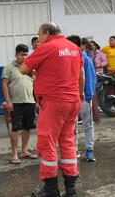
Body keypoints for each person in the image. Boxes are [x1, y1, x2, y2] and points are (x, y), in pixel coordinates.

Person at [20, 22, 84, 197]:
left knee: (46, 143)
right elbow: (81, 74)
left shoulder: (46, 47)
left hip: (53, 102)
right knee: (68, 142)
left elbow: (24, 68)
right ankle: (71, 189)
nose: (38, 39)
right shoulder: (73, 47)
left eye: (39, 35)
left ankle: (50, 189)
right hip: (73, 101)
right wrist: (80, 94)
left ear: (47, 34)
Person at [2, 44, 37, 164]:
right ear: (16, 54)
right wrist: (8, 101)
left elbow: (35, 84)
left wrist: (36, 100)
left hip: (30, 101)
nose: (24, 57)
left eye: (26, 54)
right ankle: (14, 154)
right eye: (22, 54)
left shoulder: (30, 68)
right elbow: (4, 84)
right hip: (16, 103)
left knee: (27, 127)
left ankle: (24, 151)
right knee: (16, 128)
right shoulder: (9, 67)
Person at [67, 35, 97, 162]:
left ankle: (88, 150)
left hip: (83, 98)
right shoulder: (69, 59)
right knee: (73, 126)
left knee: (86, 125)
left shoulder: (85, 60)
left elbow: (90, 80)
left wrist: (88, 97)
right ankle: (75, 150)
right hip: (72, 98)